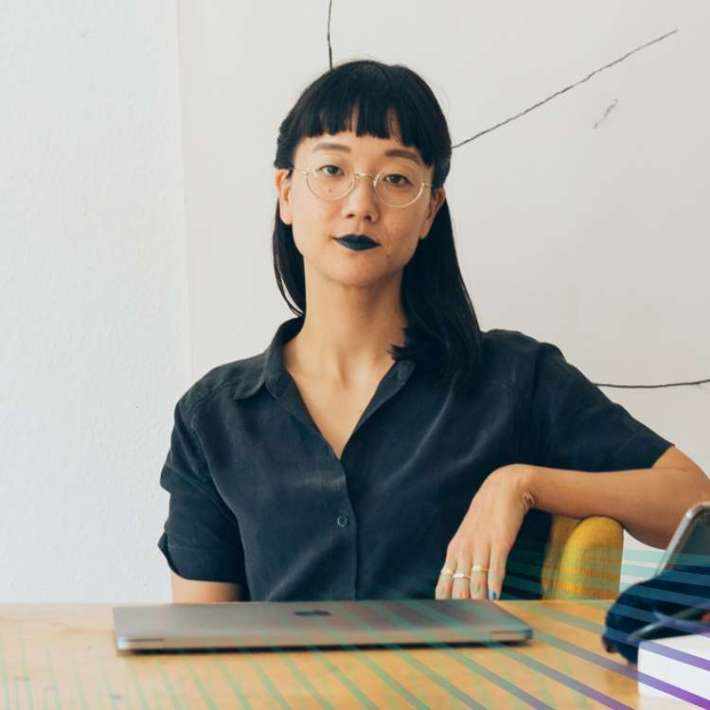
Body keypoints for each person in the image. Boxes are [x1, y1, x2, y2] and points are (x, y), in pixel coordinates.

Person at [158, 59, 709, 604]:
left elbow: (694, 501)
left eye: (396, 178)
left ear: (429, 211)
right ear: (285, 191)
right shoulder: (214, 417)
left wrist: (521, 484)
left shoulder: (513, 378)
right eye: (332, 171)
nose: (361, 205)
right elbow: (200, 648)